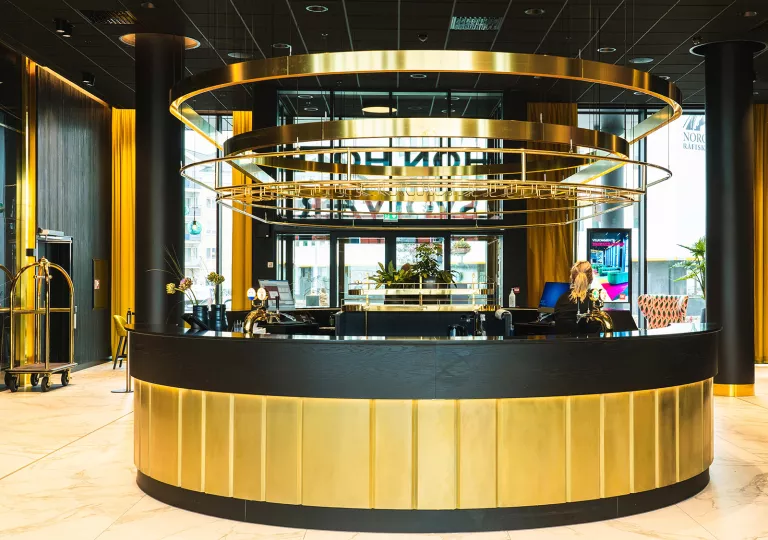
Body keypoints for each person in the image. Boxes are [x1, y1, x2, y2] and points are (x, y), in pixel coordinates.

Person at [554, 261, 603, 335]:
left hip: (563, 346)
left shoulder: (561, 299)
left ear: (572, 278)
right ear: (591, 279)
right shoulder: (593, 301)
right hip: (588, 346)